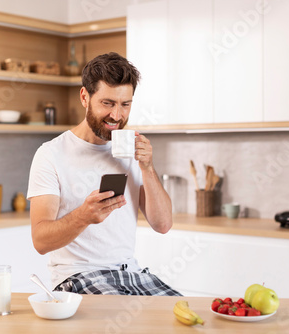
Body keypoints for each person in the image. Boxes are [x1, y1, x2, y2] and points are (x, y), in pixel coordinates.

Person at [27, 52, 181, 296]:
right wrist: (84, 216)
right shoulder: (51, 154)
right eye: (108, 103)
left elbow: (162, 225)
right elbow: (41, 241)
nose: (117, 116)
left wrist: (148, 167)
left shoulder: (131, 149)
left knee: (186, 318)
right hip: (78, 276)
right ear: (85, 97)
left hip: (131, 274)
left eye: (125, 104)